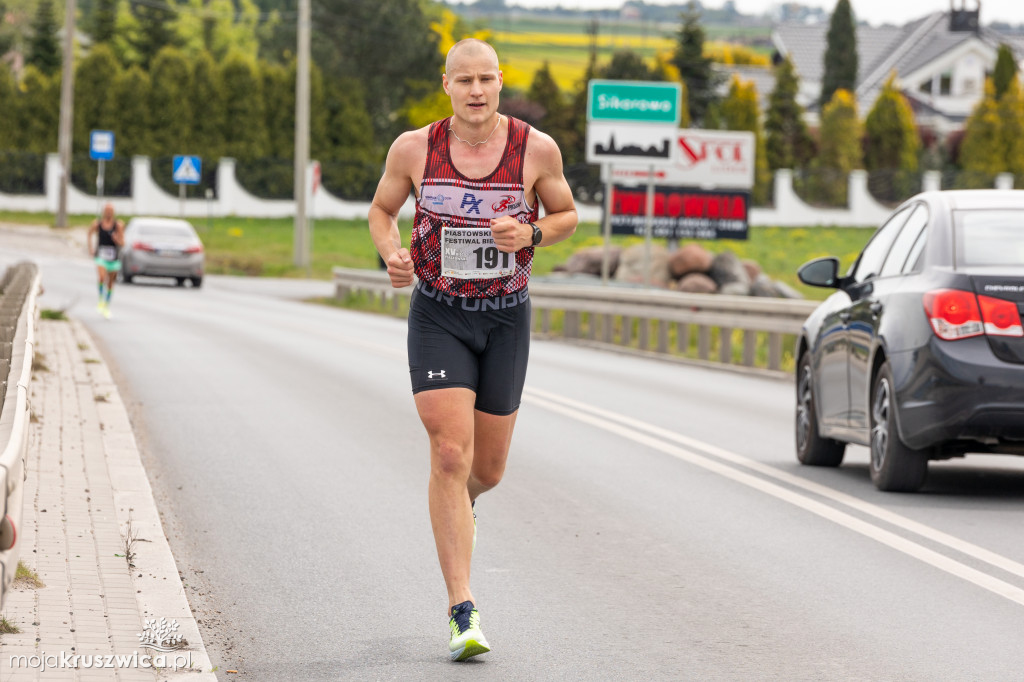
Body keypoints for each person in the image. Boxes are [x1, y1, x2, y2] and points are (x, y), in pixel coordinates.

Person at [368, 38, 578, 661]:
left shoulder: (535, 148)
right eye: (465, 80)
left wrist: (533, 230)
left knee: (485, 471)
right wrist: (392, 253)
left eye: (486, 78)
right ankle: (463, 610)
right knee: (450, 451)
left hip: (506, 317)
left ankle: (461, 510)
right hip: (438, 313)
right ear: (447, 85)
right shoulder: (414, 148)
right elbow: (382, 212)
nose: (477, 90)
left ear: (500, 81)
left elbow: (567, 214)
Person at [87, 203, 125, 319]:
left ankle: (106, 306)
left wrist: (116, 239)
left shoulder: (118, 225)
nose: (108, 212)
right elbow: (89, 234)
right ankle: (100, 301)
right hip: (101, 257)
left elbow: (123, 243)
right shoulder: (98, 224)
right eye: (107, 210)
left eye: (110, 210)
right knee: (102, 278)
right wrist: (91, 248)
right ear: (104, 212)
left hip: (113, 259)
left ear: (113, 212)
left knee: (110, 283)